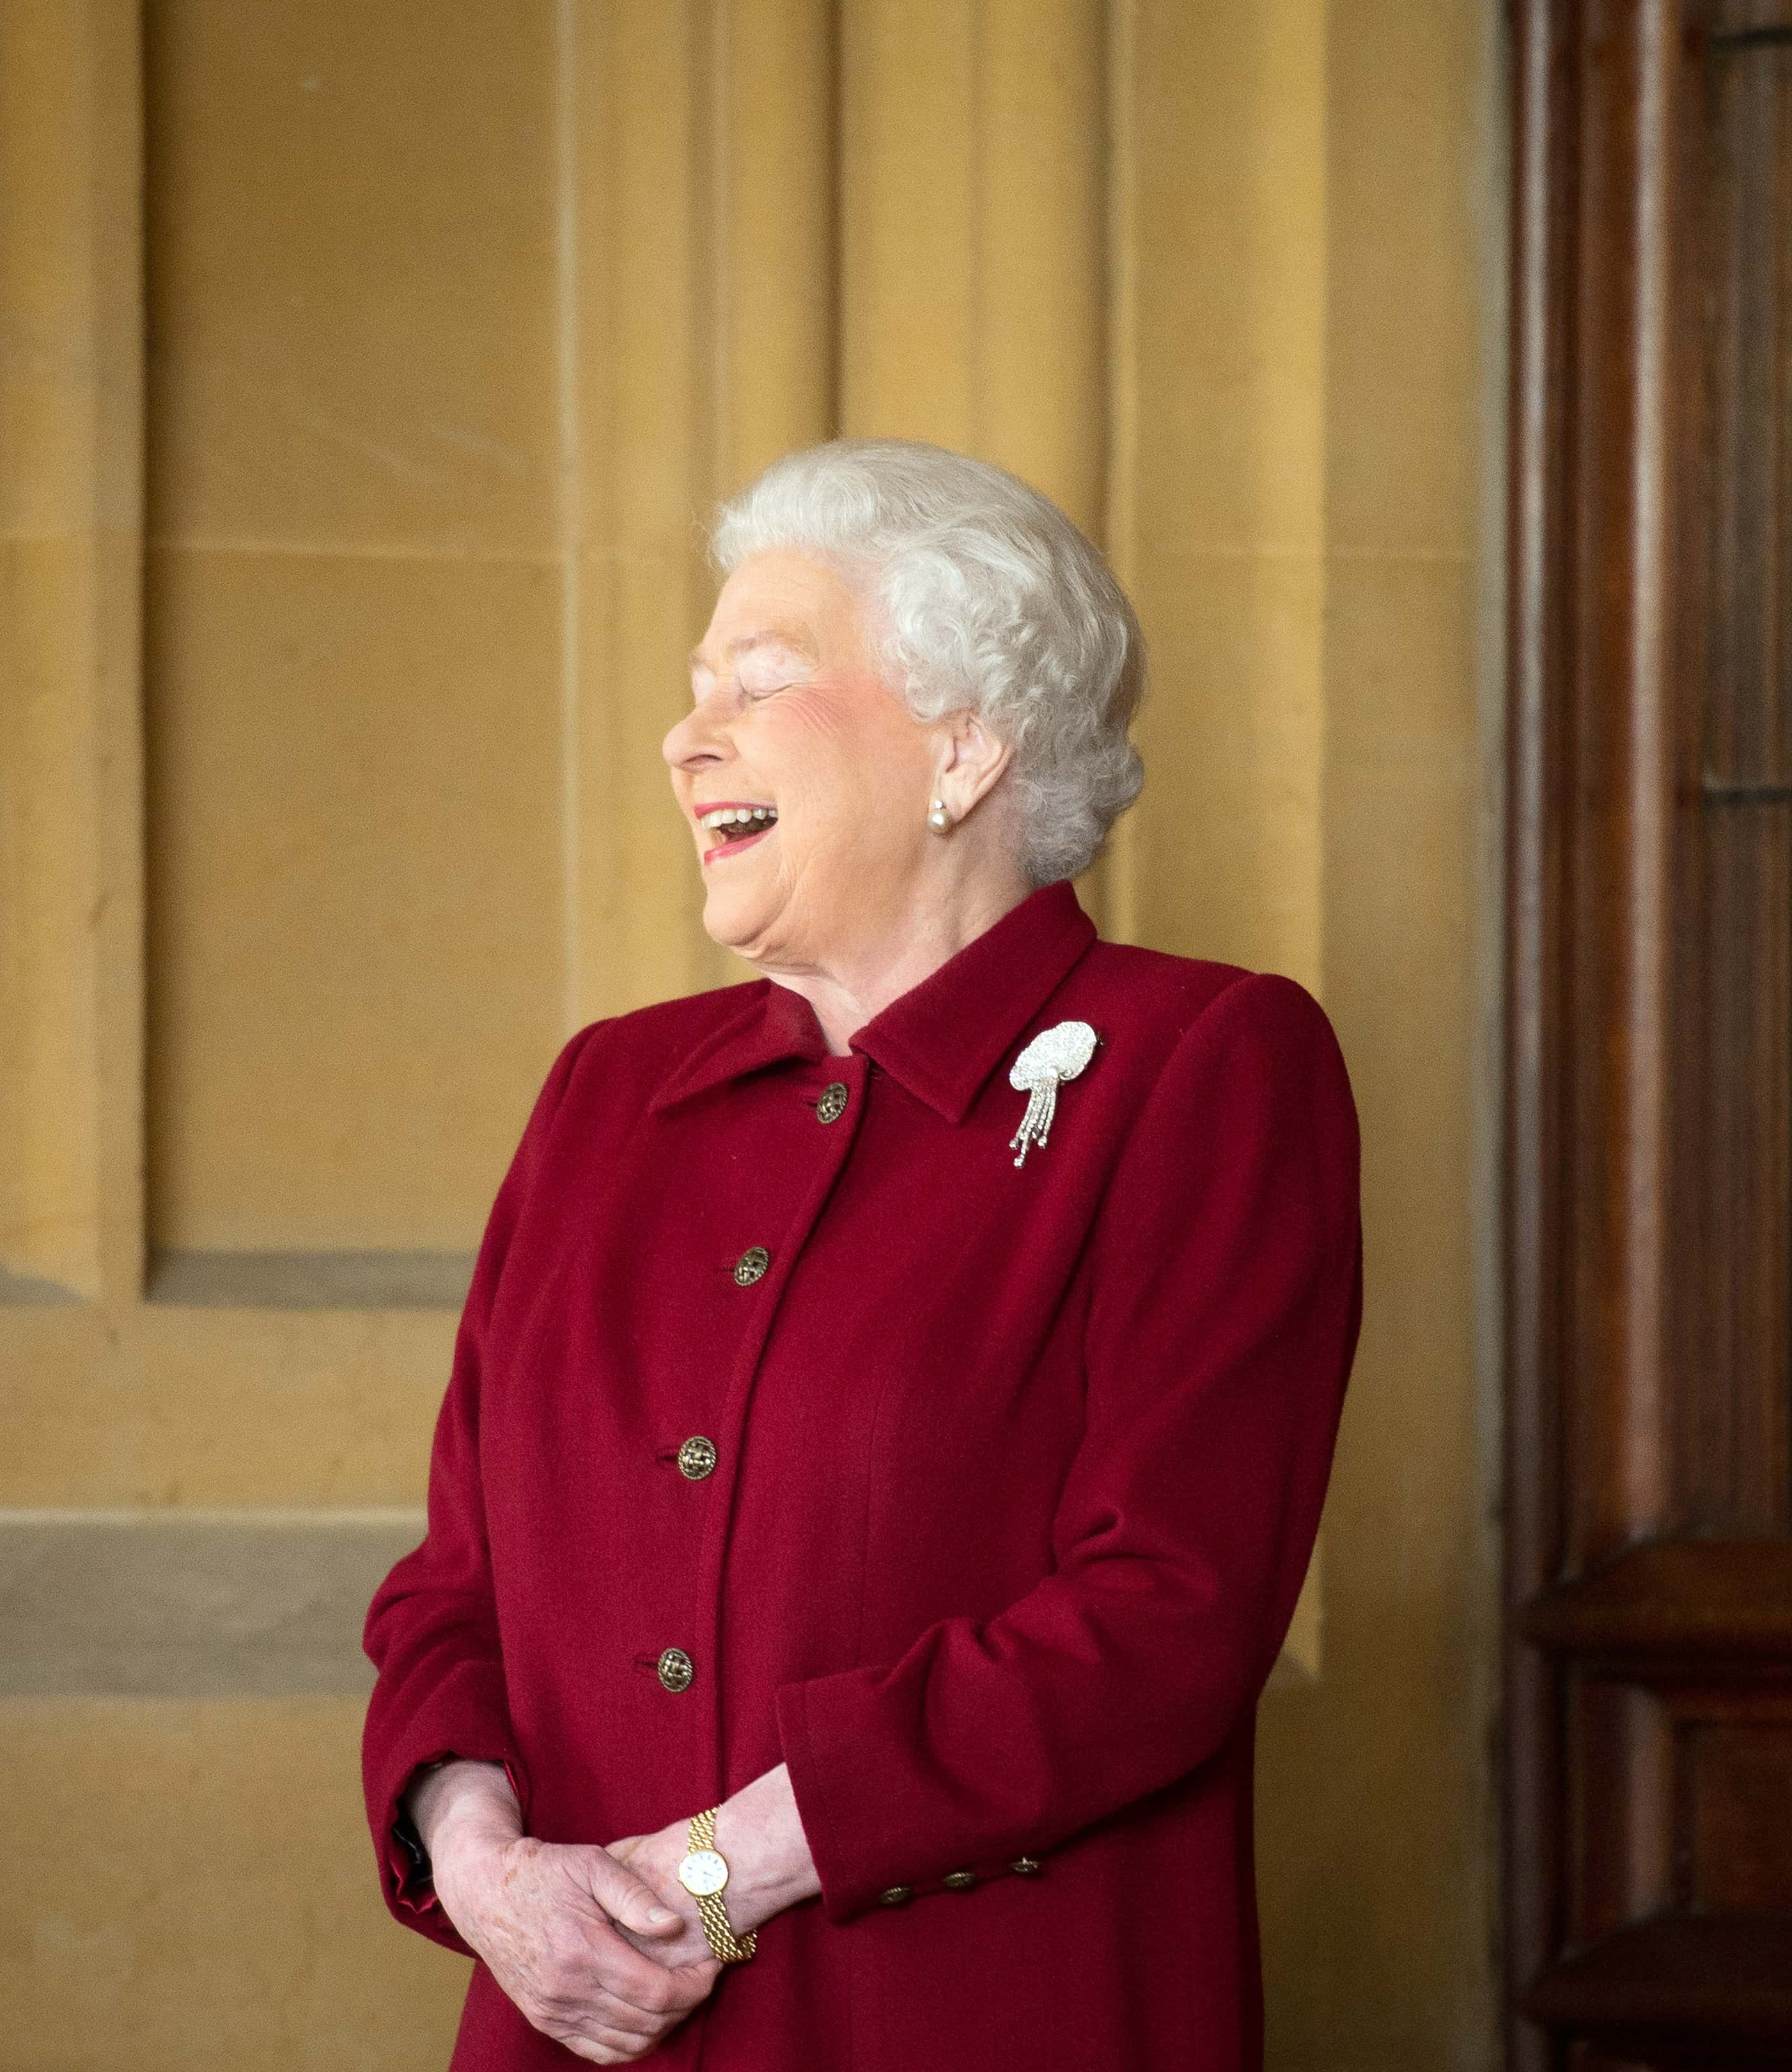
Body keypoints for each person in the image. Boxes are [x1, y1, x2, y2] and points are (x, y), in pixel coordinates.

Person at [359, 438, 1361, 2070]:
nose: (688, 738)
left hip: (974, 2019)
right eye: (695, 688)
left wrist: (709, 1874)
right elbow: (451, 1587)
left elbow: (1166, 1612)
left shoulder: (1203, 1062)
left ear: (964, 745)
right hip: (571, 2024)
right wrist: (484, 1870)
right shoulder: (609, 1092)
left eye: (759, 680)